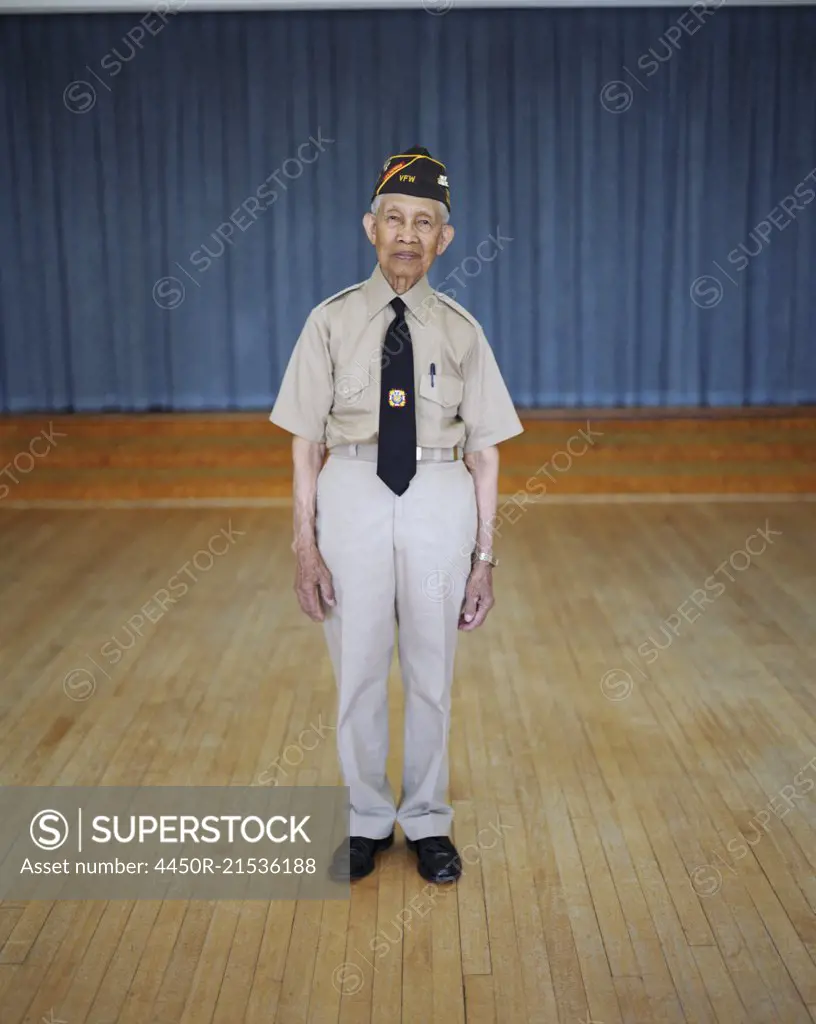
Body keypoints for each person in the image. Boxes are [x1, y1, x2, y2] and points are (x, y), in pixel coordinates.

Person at [269, 146, 523, 884]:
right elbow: (303, 444)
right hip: (349, 492)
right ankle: (365, 819)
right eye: (394, 218)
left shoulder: (463, 330)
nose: (408, 233)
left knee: (432, 672)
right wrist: (304, 547)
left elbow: (486, 454)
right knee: (356, 668)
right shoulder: (328, 323)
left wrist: (484, 557)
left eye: (424, 222)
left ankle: (427, 820)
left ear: (445, 239)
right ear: (370, 227)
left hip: (440, 498)